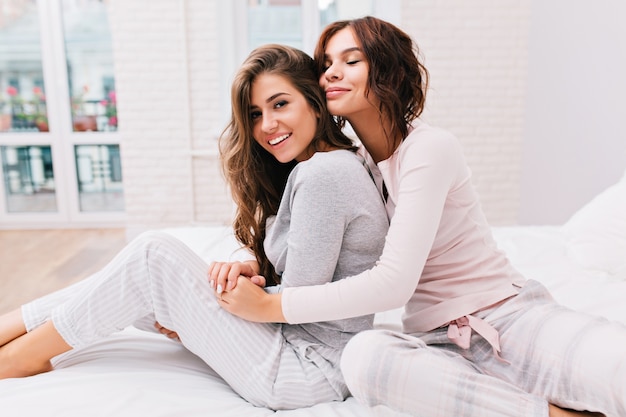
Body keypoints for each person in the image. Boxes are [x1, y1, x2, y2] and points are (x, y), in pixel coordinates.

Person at [214, 17, 625, 417]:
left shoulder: (430, 149)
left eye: (351, 61)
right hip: (437, 343)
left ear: (387, 71)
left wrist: (271, 306)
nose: (331, 74)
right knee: (363, 357)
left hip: (509, 318)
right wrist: (263, 269)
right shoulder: (351, 165)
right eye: (326, 65)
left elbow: (392, 283)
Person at [0, 44, 388, 410]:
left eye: (280, 104)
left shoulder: (324, 173)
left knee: (152, 257)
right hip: (296, 350)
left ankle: (20, 357)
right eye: (255, 114)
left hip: (308, 369)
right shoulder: (325, 166)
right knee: (126, 283)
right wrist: (248, 276)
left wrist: (226, 303)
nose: (268, 125)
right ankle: (11, 329)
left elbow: (298, 301)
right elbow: (308, 273)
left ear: (316, 106)